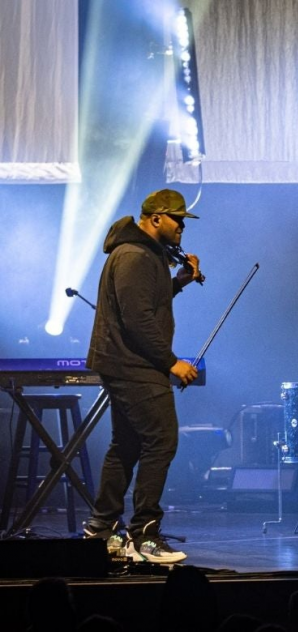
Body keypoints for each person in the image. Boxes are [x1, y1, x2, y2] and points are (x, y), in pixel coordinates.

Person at [82, 189, 202, 563]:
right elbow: (137, 320)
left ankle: (101, 530)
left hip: (124, 362)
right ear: (155, 219)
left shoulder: (143, 254)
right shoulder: (134, 255)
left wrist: (179, 281)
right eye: (177, 219)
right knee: (162, 441)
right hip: (134, 364)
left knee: (128, 445)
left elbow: (147, 300)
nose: (182, 226)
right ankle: (145, 535)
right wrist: (172, 362)